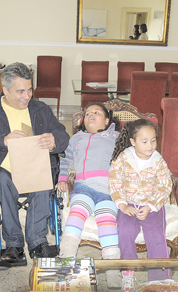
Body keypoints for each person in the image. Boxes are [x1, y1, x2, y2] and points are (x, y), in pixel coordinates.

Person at [0, 62, 70, 264]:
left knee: (42, 178)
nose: (27, 96)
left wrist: (54, 141)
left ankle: (38, 242)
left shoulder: (40, 108)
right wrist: (2, 140)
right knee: (2, 180)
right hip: (2, 169)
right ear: (5, 90)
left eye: (29, 90)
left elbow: (63, 134)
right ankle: (13, 244)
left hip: (34, 168)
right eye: (20, 91)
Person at [55, 102, 121, 287]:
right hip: (83, 188)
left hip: (108, 191)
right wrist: (62, 178)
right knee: (75, 218)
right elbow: (66, 159)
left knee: (107, 223)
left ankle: (113, 271)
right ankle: (66, 261)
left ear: (107, 120)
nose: (91, 114)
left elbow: (128, 158)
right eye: (88, 113)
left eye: (97, 112)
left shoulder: (116, 137)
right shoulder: (77, 138)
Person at [109, 119, 172, 291]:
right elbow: (114, 181)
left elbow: (165, 186)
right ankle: (128, 273)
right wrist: (122, 205)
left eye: (153, 140)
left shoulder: (159, 161)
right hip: (128, 205)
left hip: (151, 206)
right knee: (125, 231)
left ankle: (160, 280)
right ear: (133, 142)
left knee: (156, 235)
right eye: (145, 141)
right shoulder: (123, 158)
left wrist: (151, 206)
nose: (150, 145)